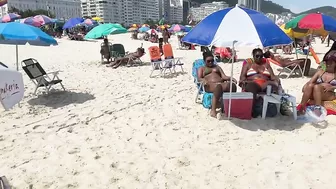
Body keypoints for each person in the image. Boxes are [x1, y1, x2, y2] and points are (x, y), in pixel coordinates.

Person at [197, 52, 237, 117]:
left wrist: (230, 78)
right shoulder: (201, 68)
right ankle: (213, 110)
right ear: (204, 61)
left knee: (232, 85)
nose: (210, 62)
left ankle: (228, 106)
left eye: (212, 61)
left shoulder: (217, 67)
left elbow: (223, 76)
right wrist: (203, 80)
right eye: (208, 61)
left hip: (220, 83)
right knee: (218, 87)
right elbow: (199, 78)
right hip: (209, 85)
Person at [298, 50, 336, 115]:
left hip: (329, 94)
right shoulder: (320, 72)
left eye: (330, 62)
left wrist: (332, 87)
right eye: (327, 62)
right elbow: (308, 84)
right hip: (317, 92)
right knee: (312, 86)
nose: (328, 64)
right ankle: (302, 106)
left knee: (317, 86)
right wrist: (307, 88)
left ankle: (318, 108)